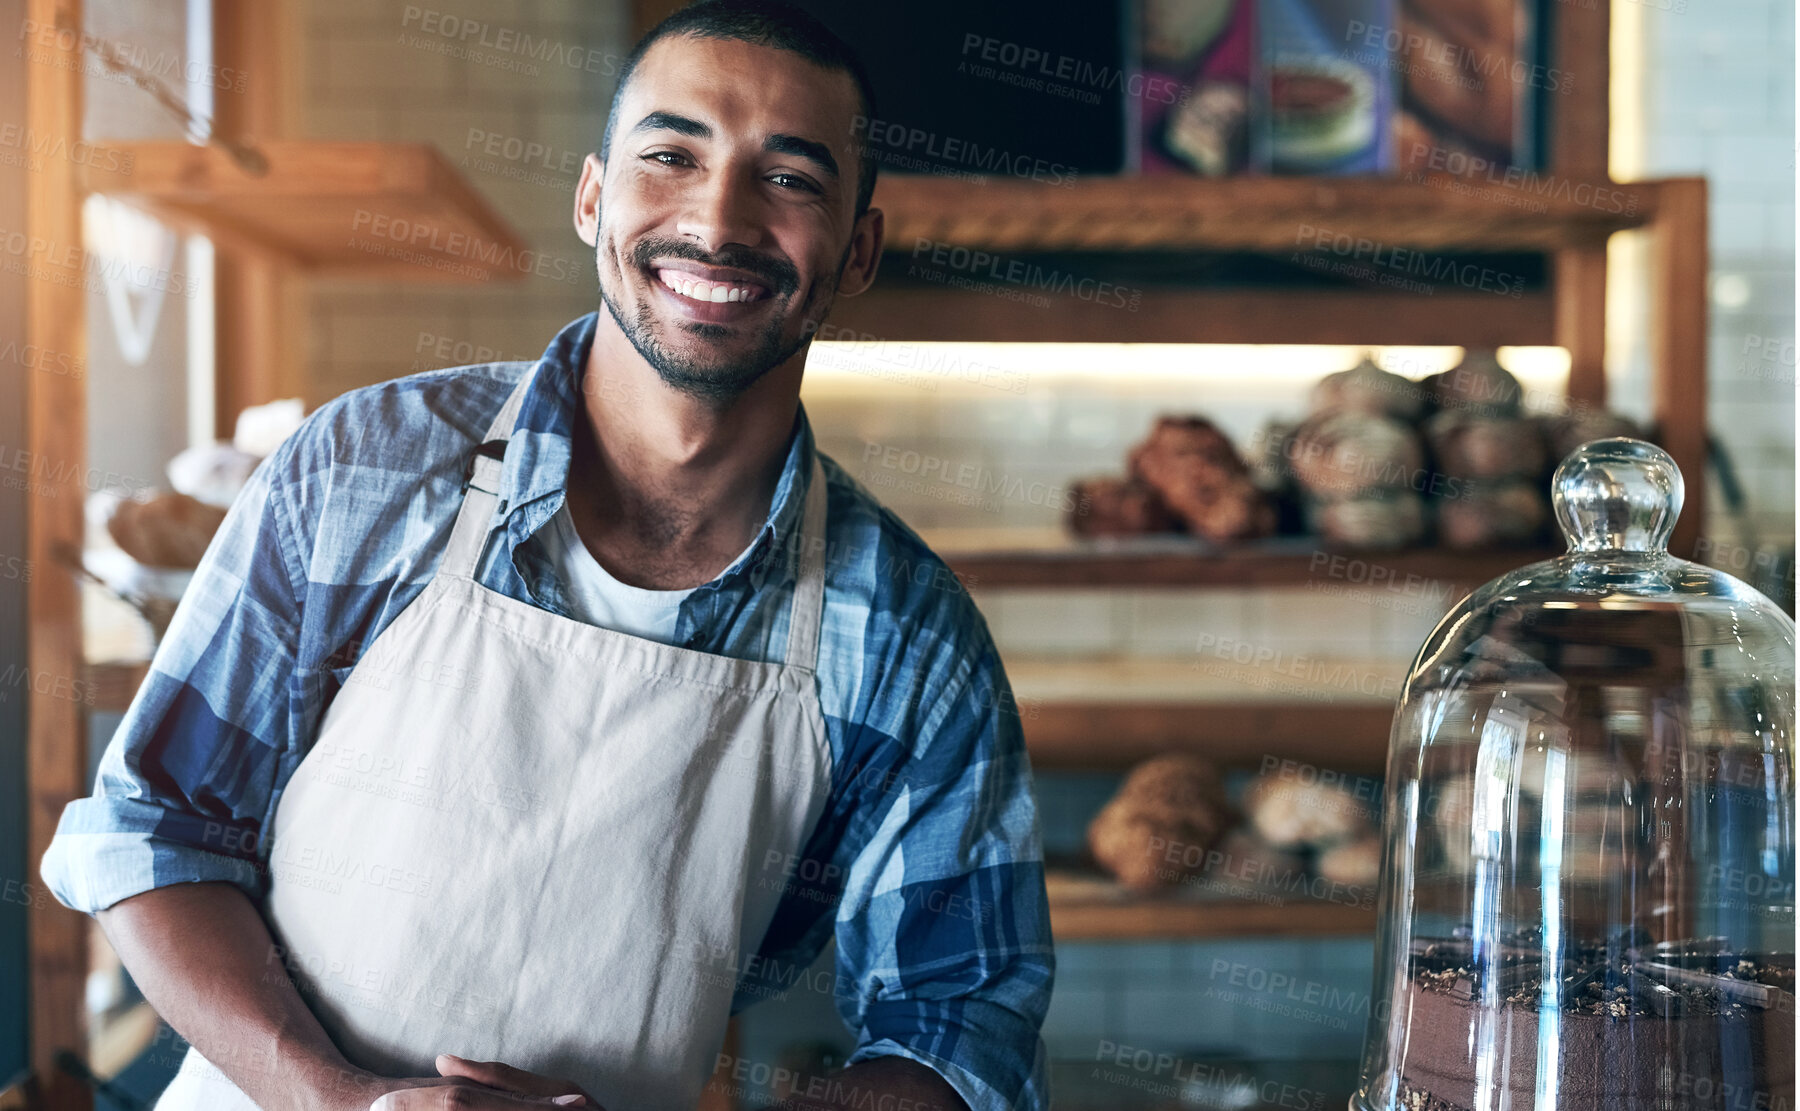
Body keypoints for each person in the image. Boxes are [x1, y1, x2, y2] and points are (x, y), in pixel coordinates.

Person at [39, 3, 1053, 1108]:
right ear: (591, 197)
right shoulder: (363, 471)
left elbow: (961, 1024)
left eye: (791, 178)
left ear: (858, 249)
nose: (718, 220)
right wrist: (339, 1097)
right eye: (670, 156)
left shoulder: (909, 635)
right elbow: (156, 831)